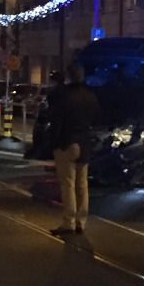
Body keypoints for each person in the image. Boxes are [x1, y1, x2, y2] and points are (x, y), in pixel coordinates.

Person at [49, 62, 100, 236]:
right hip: (85, 143)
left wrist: (54, 142)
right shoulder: (91, 96)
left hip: (68, 142)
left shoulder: (64, 96)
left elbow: (57, 121)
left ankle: (68, 221)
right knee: (82, 184)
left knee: (68, 184)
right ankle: (81, 221)